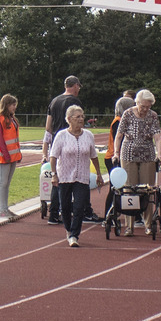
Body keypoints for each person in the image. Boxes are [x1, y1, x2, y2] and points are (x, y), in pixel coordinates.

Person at [49, 105, 104, 247]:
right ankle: (68, 229)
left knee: (79, 207)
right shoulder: (61, 135)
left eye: (82, 116)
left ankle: (74, 235)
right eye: (77, 117)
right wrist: (54, 175)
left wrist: (98, 174)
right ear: (69, 119)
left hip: (82, 177)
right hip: (65, 176)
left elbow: (94, 156)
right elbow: (53, 156)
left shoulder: (88, 135)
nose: (81, 119)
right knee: (65, 207)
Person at [114, 89, 161, 236]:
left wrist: (159, 153)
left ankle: (148, 224)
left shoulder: (153, 116)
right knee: (129, 189)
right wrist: (116, 153)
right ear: (137, 102)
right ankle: (129, 226)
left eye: (148, 106)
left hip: (147, 154)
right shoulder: (128, 114)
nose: (145, 109)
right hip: (128, 153)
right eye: (143, 106)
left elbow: (157, 137)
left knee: (146, 190)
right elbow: (119, 135)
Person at [42, 76, 82, 225]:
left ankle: (53, 213)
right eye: (78, 87)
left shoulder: (54, 101)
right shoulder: (74, 101)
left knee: (57, 178)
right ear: (75, 86)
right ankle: (75, 210)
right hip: (70, 141)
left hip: (56, 141)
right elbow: (78, 123)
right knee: (71, 178)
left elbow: (48, 126)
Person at [104, 96, 135, 218]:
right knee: (115, 187)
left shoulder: (121, 120)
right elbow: (121, 140)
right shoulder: (118, 121)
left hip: (117, 156)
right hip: (114, 157)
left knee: (120, 187)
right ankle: (109, 214)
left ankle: (115, 213)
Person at [0, 94, 22, 219]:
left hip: (13, 155)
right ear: (6, 105)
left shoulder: (13, 119)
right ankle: (1, 209)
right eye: (13, 105)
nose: (14, 107)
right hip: (3, 156)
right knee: (2, 182)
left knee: (7, 183)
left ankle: (5, 207)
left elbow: (14, 138)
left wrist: (18, 153)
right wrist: (6, 155)